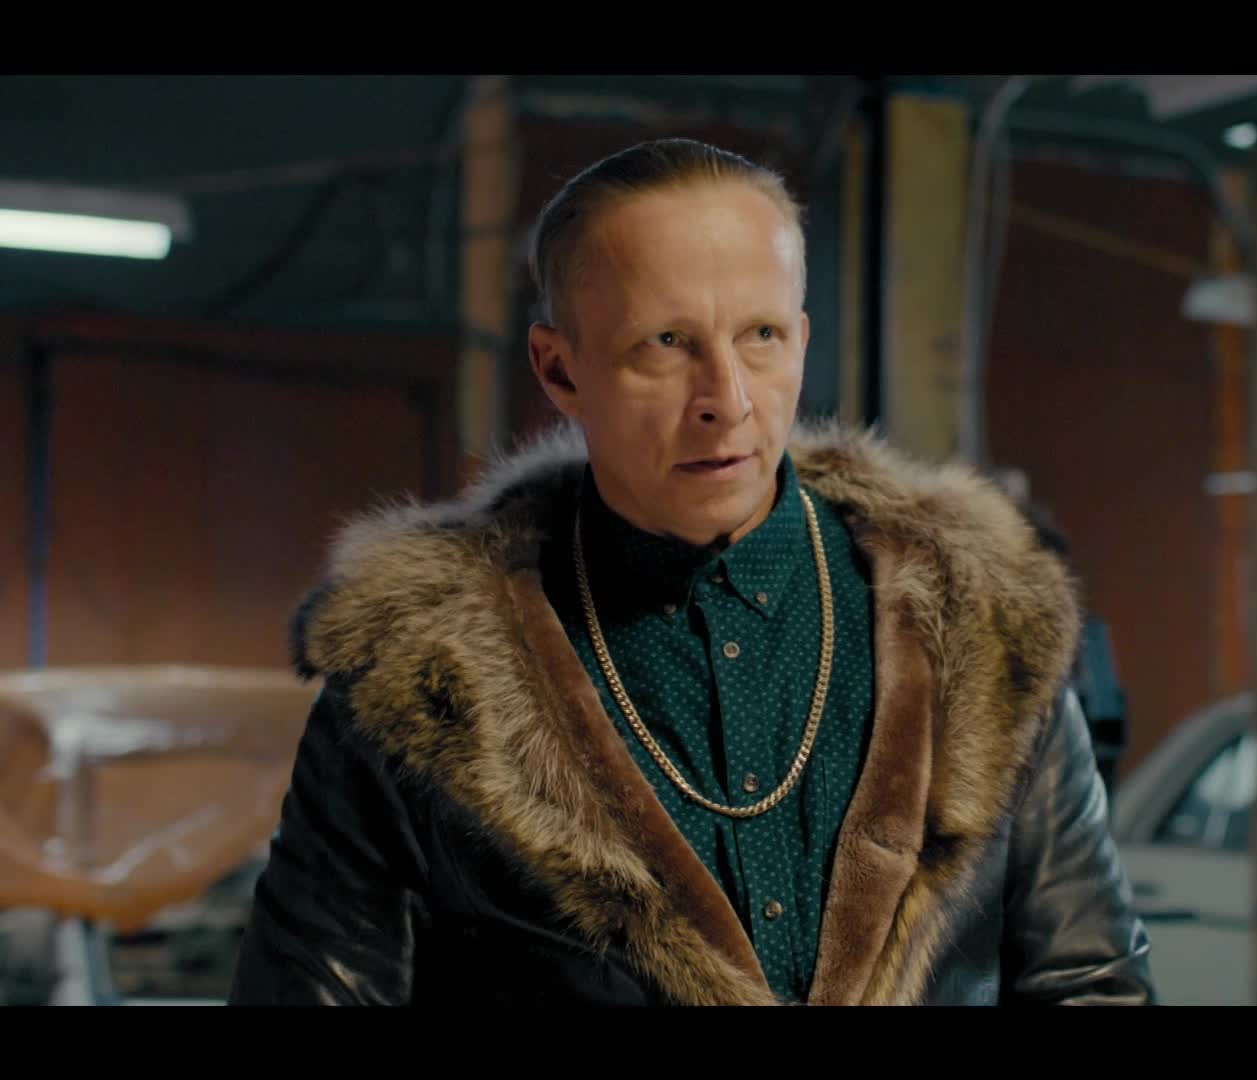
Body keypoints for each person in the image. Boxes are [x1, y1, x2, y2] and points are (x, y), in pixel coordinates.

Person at [227, 137, 1154, 1006]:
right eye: (665, 344)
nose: (728, 400)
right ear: (559, 370)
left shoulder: (980, 625)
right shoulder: (419, 683)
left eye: (761, 335)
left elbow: (1090, 981)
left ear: (801, 338)